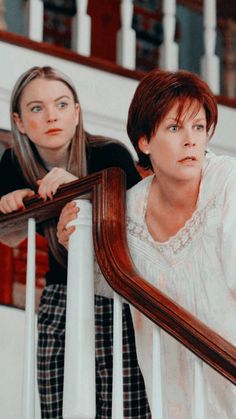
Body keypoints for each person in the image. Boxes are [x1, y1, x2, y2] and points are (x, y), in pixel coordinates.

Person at [59, 69, 236, 418]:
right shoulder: (127, 212)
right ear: (144, 141)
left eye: (198, 127)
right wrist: (75, 244)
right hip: (174, 386)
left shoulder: (226, 182)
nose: (191, 141)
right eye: (175, 128)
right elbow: (111, 281)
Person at [0, 66, 150, 418]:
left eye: (62, 104)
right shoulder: (13, 163)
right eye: (37, 108)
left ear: (77, 111)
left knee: (122, 408)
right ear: (19, 122)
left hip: (118, 296)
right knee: (58, 407)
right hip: (59, 296)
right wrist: (13, 206)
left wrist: (81, 188)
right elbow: (10, 238)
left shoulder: (109, 156)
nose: (52, 116)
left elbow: (139, 231)